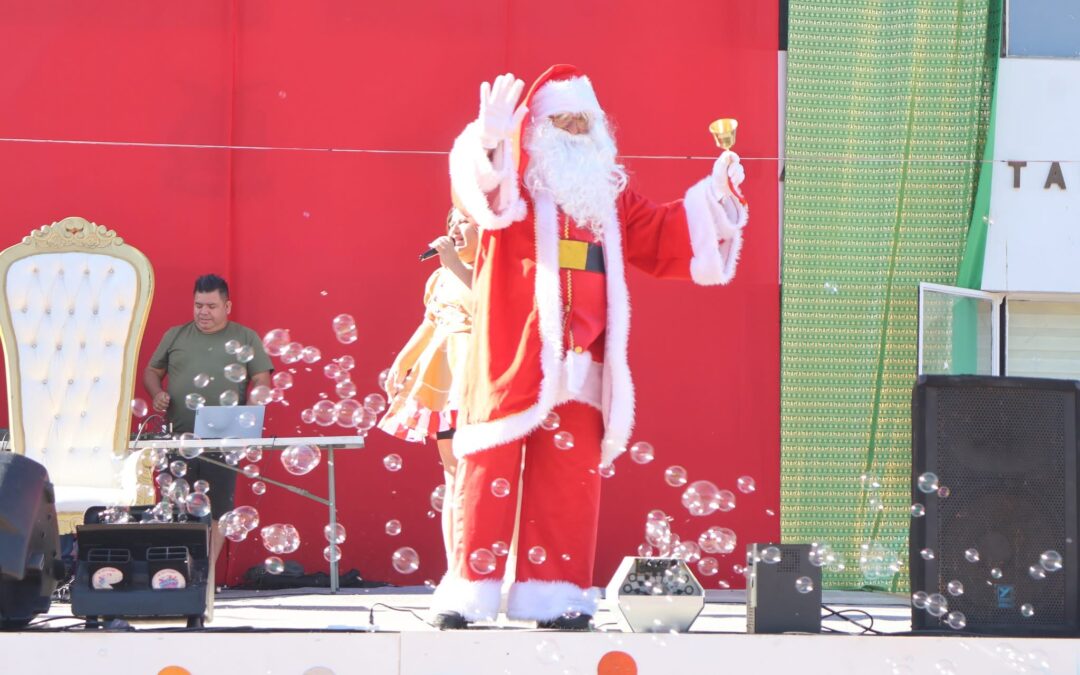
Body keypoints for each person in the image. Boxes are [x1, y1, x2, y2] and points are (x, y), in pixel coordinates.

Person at [430, 65, 749, 630]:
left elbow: (665, 234)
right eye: (564, 120)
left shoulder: (610, 198)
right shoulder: (516, 187)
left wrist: (716, 197)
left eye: (585, 120)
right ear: (537, 129)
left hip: (584, 363)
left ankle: (553, 595)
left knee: (569, 485)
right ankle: (468, 594)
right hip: (514, 356)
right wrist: (487, 142)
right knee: (487, 473)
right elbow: (481, 196)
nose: (577, 130)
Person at [143, 273, 273, 564]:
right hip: (178, 438)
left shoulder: (245, 337)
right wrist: (157, 393)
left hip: (224, 439)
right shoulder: (175, 335)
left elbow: (261, 379)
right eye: (198, 305)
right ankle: (180, 569)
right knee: (176, 506)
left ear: (227, 307)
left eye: (211, 306)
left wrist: (249, 415)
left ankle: (207, 573)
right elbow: (152, 371)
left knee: (219, 509)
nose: (203, 312)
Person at [378, 207, 478, 566]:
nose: (454, 229)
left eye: (464, 221)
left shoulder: (490, 269)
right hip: (444, 381)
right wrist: (402, 360)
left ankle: (494, 566)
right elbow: (431, 322)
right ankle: (456, 567)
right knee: (453, 473)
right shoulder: (439, 277)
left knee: (481, 473)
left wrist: (454, 263)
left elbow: (487, 308)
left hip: (477, 378)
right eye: (451, 223)